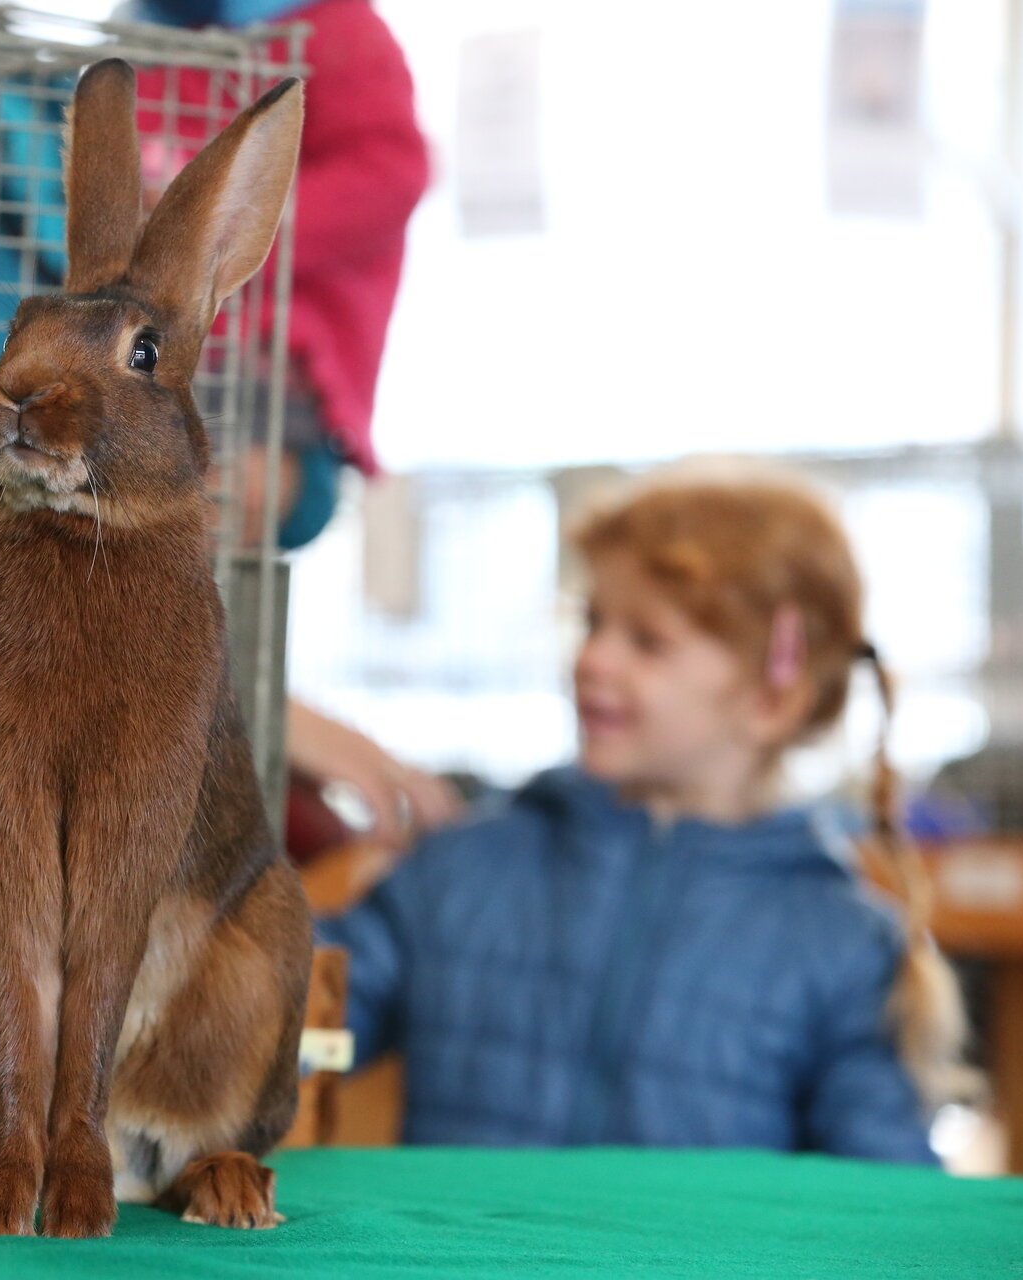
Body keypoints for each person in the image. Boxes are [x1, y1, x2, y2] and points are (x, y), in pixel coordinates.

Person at [320, 464, 972, 1161]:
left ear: (774, 700)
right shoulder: (462, 866)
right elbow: (293, 1026)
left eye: (647, 641)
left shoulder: (840, 942)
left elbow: (882, 1200)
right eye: (594, 622)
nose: (592, 659)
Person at [136, 0, 462, 849]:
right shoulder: (140, 36)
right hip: (175, 345)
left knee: (202, 549)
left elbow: (394, 169)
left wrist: (233, 236)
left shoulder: (337, 29)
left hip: (280, 363)